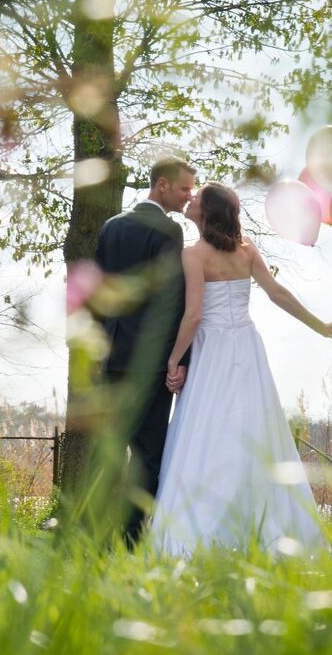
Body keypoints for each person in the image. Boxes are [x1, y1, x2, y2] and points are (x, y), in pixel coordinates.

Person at [149, 181, 332, 556]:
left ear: (206, 212)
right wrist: (319, 325)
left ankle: (203, 530)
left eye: (197, 198)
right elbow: (278, 294)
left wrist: (174, 360)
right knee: (250, 427)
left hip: (211, 349)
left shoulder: (193, 255)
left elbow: (192, 316)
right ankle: (258, 526)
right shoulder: (247, 250)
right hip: (245, 345)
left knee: (205, 429)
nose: (190, 201)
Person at [94, 156, 196, 545]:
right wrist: (179, 360)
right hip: (149, 362)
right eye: (185, 188)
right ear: (162, 185)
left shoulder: (111, 227)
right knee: (147, 455)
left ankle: (96, 537)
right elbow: (171, 301)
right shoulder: (168, 231)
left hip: (111, 357)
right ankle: (131, 541)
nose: (190, 197)